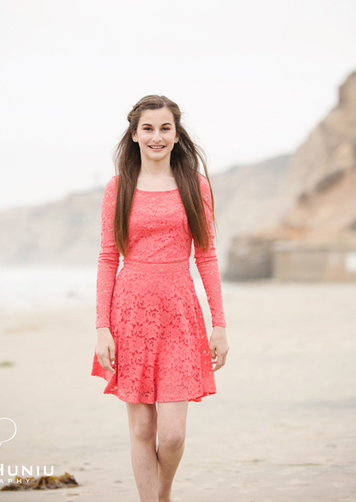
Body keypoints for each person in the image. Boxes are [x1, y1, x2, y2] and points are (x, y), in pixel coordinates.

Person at [91, 95, 229, 502]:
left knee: (171, 435)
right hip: (129, 314)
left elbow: (205, 255)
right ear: (134, 135)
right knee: (141, 430)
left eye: (164, 128)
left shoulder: (194, 184)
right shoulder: (118, 188)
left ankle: (162, 492)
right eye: (148, 128)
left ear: (176, 133)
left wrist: (219, 324)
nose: (156, 136)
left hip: (180, 315)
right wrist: (102, 327)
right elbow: (106, 257)